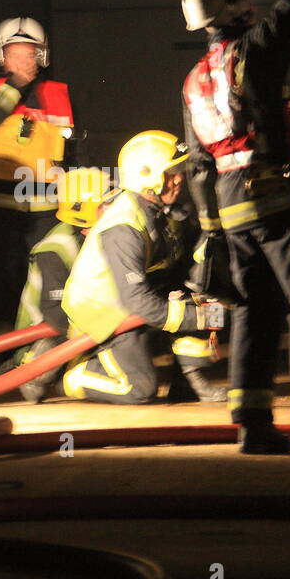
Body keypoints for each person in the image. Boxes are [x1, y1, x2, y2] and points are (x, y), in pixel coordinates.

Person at [179, 0, 290, 454]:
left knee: (254, 309)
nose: (253, 8)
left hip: (231, 209)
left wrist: (212, 232)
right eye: (245, 0)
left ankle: (253, 425)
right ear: (231, 6)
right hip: (279, 196)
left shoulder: (193, 80)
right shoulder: (255, 52)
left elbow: (199, 165)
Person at [59, 131, 223, 404]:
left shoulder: (159, 211)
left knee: (198, 300)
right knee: (138, 388)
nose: (179, 178)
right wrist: (199, 317)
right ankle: (76, 375)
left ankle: (190, 384)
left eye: (178, 171)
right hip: (105, 313)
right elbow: (138, 302)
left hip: (132, 302)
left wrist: (204, 301)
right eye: (170, 173)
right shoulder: (124, 227)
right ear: (147, 177)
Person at [0, 17, 76, 329]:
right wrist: (15, 86)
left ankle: (39, 346)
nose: (21, 60)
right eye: (13, 53)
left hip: (47, 214)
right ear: (0, 56)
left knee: (48, 280)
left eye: (28, 53)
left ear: (41, 56)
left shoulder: (58, 93)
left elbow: (74, 149)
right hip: (0, 213)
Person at [10, 166, 111, 403]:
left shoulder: (94, 235)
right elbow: (55, 316)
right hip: (42, 339)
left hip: (81, 325)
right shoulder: (55, 248)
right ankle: (31, 376)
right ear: (82, 208)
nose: (112, 207)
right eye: (104, 202)